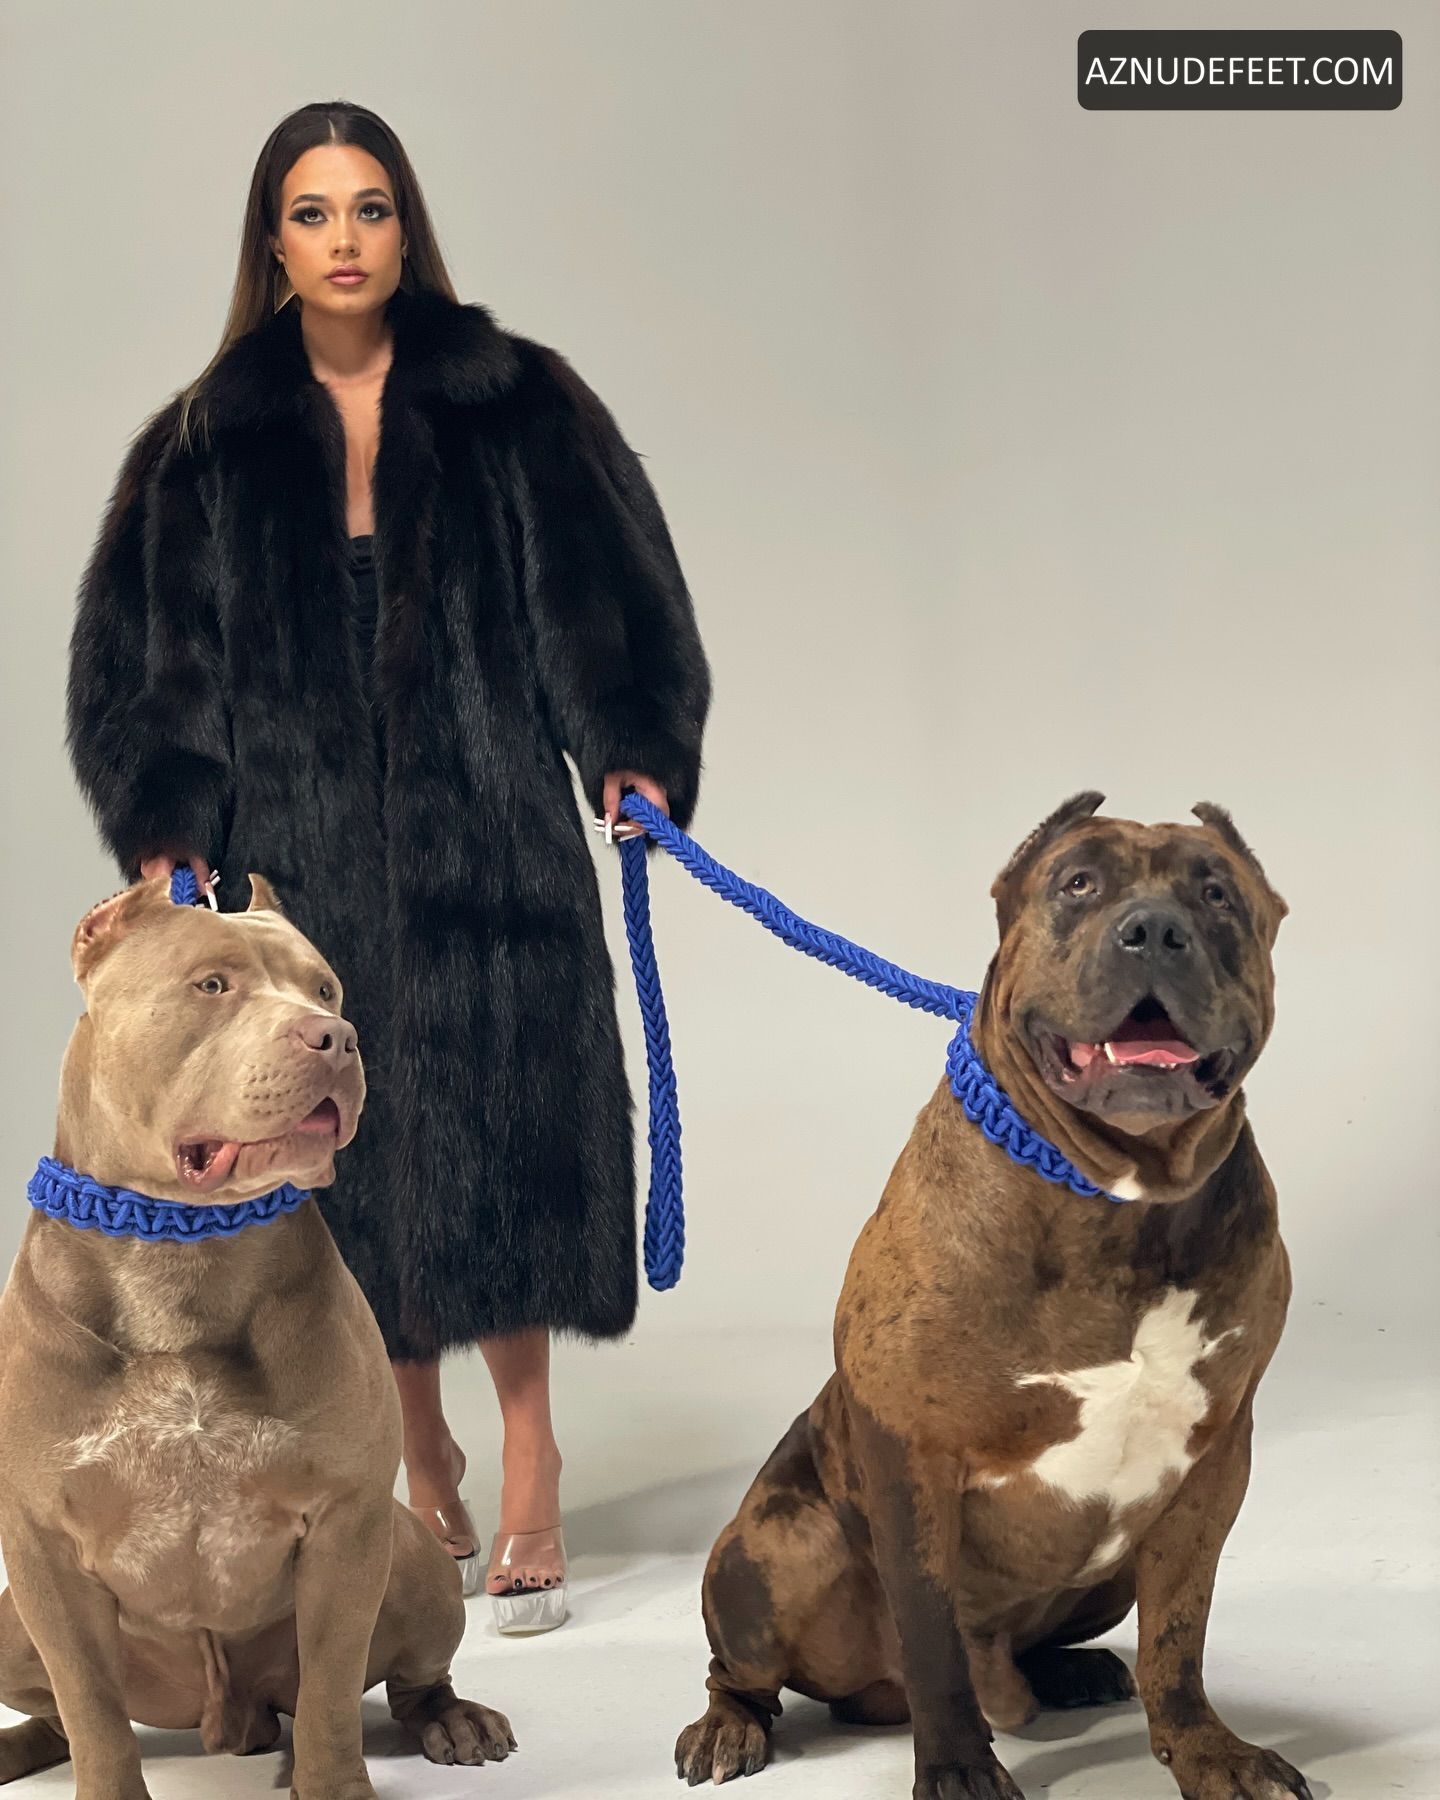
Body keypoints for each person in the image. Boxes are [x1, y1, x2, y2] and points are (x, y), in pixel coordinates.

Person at [65, 99, 711, 1633]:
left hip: (492, 822)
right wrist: (172, 815)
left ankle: (533, 1459)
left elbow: (610, 588)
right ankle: (419, 1448)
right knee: (346, 1136)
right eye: (312, 212)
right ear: (272, 241)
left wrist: (625, 746)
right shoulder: (206, 442)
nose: (344, 238)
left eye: (369, 208)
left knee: (514, 1125)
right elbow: (149, 656)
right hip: (298, 857)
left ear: (405, 229)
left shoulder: (514, 403)